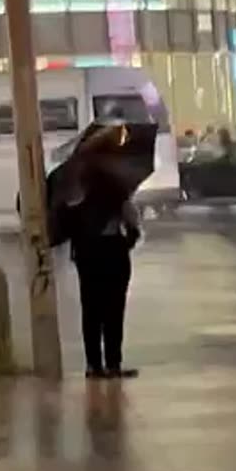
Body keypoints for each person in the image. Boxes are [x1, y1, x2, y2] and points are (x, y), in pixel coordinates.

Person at [69, 127, 143, 380]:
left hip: (85, 252)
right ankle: (113, 363)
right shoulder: (115, 182)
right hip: (112, 250)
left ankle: (93, 365)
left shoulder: (74, 181)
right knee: (113, 309)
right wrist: (133, 235)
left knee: (90, 309)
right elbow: (130, 216)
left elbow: (68, 217)